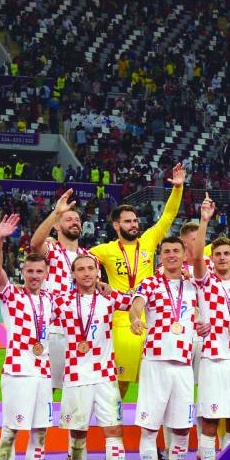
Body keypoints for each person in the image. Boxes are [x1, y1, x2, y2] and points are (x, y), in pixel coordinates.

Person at [51, 254, 145, 460]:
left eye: (90, 268)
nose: (86, 273)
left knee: (114, 431)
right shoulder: (61, 302)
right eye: (80, 269)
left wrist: (132, 313)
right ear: (73, 275)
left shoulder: (109, 298)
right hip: (76, 377)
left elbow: (137, 298)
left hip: (105, 376)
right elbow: (36, 313)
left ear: (97, 272)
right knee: (78, 433)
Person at [90, 163, 185, 398]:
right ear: (116, 225)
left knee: (152, 381)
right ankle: (113, 420)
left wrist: (177, 189)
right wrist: (97, 282)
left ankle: (147, 419)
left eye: (134, 221)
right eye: (128, 221)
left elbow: (168, 216)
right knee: (119, 383)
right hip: (120, 321)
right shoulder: (105, 250)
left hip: (151, 319)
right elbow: (78, 261)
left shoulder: (149, 241)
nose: (134, 225)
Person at [0, 214, 56, 460]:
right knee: (11, 432)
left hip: (43, 374)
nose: (34, 276)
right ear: (23, 272)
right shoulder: (11, 295)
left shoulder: (51, 300)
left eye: (39, 271)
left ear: (46, 273)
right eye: (29, 271)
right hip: (18, 373)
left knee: (40, 432)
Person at [128, 236, 199, 460]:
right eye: (166, 251)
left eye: (176, 251)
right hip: (155, 361)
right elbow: (136, 305)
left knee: (182, 428)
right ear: (160, 256)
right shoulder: (150, 283)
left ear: (184, 255)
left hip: (183, 364)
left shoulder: (194, 285)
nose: (171, 255)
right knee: (149, 427)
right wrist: (135, 318)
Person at [29, 188, 96, 460]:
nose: (75, 222)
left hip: (78, 336)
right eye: (68, 219)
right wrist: (55, 212)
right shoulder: (51, 250)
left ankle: (74, 455)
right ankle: (38, 455)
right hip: (53, 332)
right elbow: (35, 243)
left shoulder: (88, 257)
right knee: (45, 394)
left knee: (78, 396)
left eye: (77, 219)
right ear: (57, 225)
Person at [190, 195, 230, 460]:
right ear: (212, 259)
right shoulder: (205, 281)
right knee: (211, 420)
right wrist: (204, 221)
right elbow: (196, 255)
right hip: (213, 357)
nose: (222, 258)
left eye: (226, 254)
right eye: (218, 254)